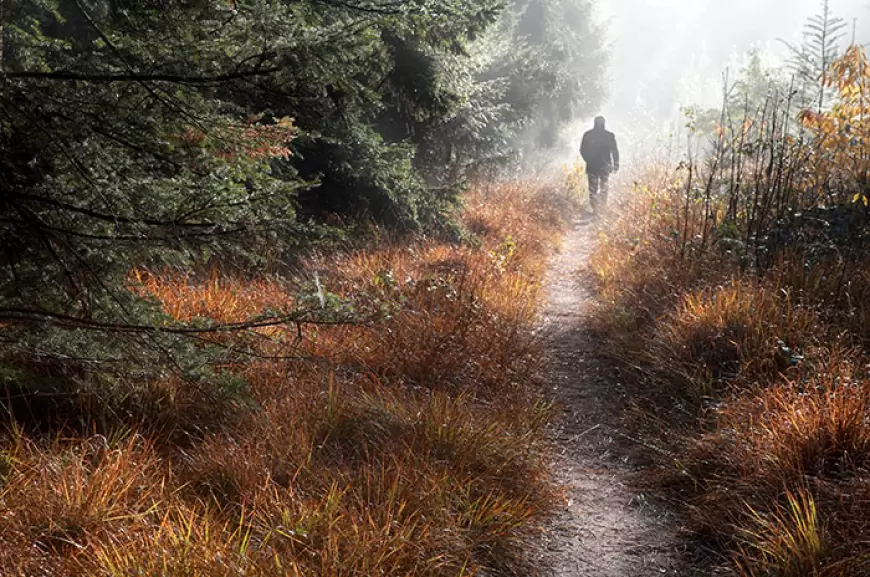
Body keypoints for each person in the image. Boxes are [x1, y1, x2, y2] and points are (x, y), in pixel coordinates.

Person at [580, 116, 620, 214]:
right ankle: (601, 207)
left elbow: (582, 150)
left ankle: (596, 208)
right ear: (604, 124)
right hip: (604, 165)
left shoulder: (588, 135)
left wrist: (588, 160)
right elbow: (614, 151)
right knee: (604, 187)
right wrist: (616, 164)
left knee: (593, 188)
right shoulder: (609, 135)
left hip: (592, 166)